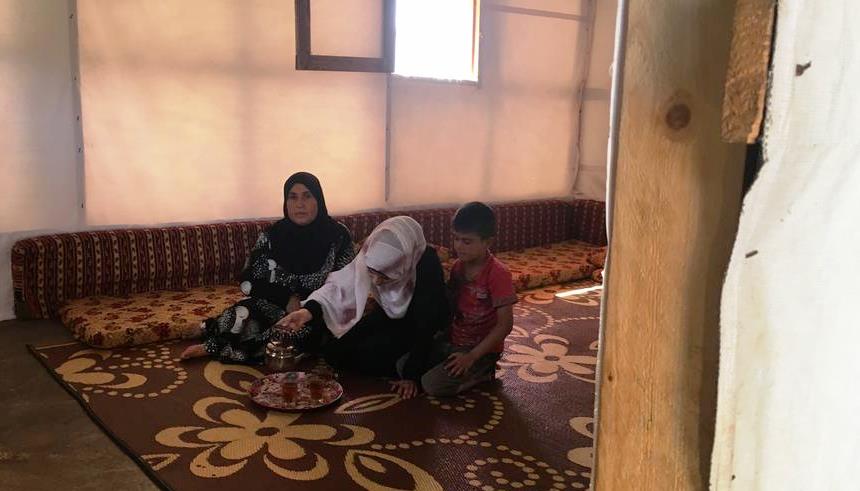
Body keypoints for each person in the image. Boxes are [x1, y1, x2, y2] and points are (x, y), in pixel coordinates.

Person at [180, 172, 354, 363]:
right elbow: (248, 280)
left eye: (307, 196)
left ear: (318, 199)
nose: (300, 204)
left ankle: (215, 341)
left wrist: (310, 307)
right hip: (276, 304)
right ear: (286, 202)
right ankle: (213, 333)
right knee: (244, 312)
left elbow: (345, 284)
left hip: (318, 310)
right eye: (292, 197)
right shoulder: (273, 234)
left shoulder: (337, 236)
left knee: (298, 333)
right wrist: (286, 298)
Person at [276, 216, 450, 399]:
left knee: (371, 356)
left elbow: (427, 323)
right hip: (387, 315)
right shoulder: (373, 250)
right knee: (334, 352)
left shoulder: (426, 264)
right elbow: (341, 287)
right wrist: (307, 312)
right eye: (373, 273)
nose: (376, 282)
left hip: (418, 325)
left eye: (384, 276)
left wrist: (411, 376)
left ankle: (418, 361)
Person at [420, 202, 516, 396]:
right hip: (456, 339)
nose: (458, 246)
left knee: (431, 385)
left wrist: (471, 357)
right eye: (456, 239)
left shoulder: (498, 274)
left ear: (488, 242)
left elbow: (505, 325)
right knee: (405, 364)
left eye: (467, 241)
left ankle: (482, 372)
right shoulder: (458, 267)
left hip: (480, 350)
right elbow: (452, 306)